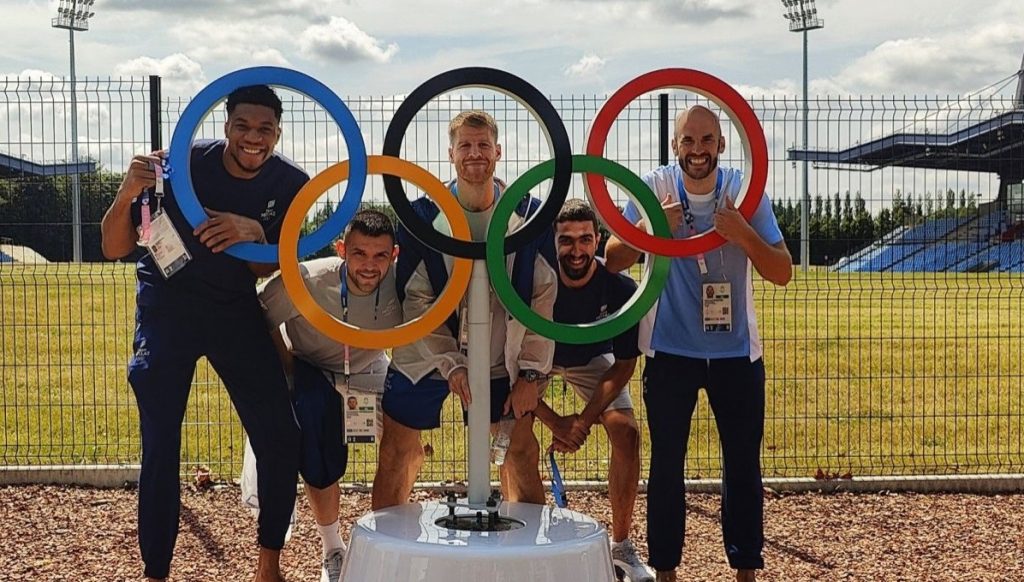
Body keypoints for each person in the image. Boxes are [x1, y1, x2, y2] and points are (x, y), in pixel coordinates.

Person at [99, 85, 306, 582]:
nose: (252, 138)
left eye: (265, 129)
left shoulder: (291, 183)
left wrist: (255, 232)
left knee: (280, 434)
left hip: (233, 310)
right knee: (161, 437)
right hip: (167, 305)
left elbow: (274, 266)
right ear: (226, 124)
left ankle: (268, 566)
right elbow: (114, 246)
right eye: (242, 126)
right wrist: (128, 192)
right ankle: (156, 572)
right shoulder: (179, 164)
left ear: (278, 132)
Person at [605, 105, 793, 582]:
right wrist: (652, 232)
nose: (697, 151)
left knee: (743, 465)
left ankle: (746, 569)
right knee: (667, 465)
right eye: (688, 141)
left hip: (736, 353)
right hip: (670, 350)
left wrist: (743, 233)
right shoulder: (656, 188)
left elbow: (782, 271)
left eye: (706, 140)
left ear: (722, 145)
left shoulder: (743, 191)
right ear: (675, 146)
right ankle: (666, 570)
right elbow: (611, 258)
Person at [371, 110, 557, 509]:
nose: (475, 154)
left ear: (498, 151)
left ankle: (524, 557)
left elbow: (543, 301)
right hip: (427, 349)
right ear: (451, 154)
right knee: (396, 450)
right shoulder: (421, 216)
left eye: (483, 145)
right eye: (466, 146)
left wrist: (529, 373)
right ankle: (386, 556)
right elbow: (416, 301)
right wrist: (450, 362)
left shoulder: (530, 213)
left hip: (499, 352)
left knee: (520, 451)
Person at [255, 209, 402, 582]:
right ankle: (332, 547)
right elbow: (260, 314)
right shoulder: (305, 280)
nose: (369, 266)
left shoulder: (401, 283)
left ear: (394, 255)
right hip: (311, 364)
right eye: (359, 254)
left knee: (408, 437)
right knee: (316, 442)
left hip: (369, 366)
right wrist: (288, 371)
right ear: (341, 249)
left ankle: (393, 538)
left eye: (380, 255)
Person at [531, 199, 655, 582]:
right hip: (539, 357)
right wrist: (555, 422)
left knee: (626, 431)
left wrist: (582, 422)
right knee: (514, 432)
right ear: (553, 243)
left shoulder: (618, 287)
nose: (577, 249)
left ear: (599, 240)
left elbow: (624, 365)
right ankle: (524, 539)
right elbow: (511, 366)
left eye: (585, 239)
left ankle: (620, 545)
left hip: (592, 360)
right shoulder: (538, 280)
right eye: (566, 240)